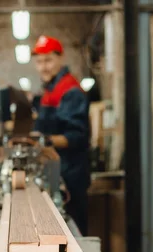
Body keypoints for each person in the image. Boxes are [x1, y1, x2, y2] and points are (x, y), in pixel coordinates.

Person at [32, 35, 90, 236]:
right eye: (39, 62)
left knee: (74, 234)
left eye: (48, 60)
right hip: (57, 170)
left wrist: (42, 141)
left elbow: (77, 136)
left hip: (71, 174)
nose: (43, 67)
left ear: (60, 59)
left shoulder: (69, 91)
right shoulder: (51, 89)